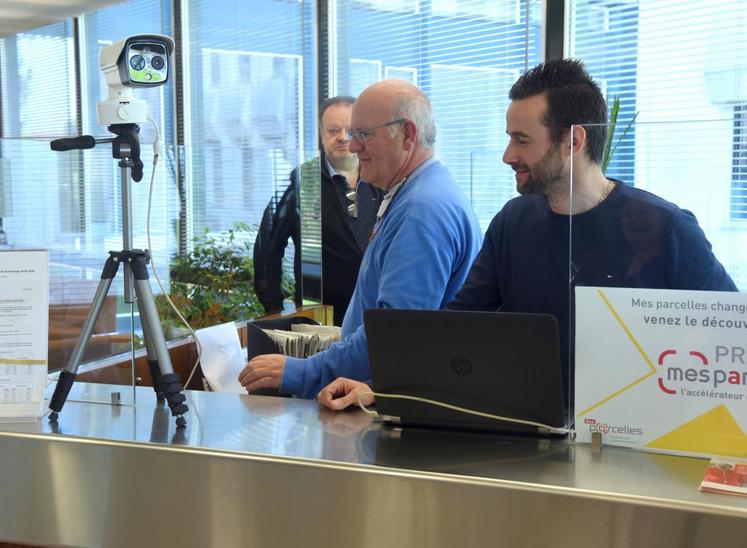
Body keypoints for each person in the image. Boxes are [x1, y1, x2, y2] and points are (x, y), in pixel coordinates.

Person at [318, 58, 737, 410]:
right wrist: (382, 390)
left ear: (573, 140)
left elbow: (729, 338)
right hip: (532, 443)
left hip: (637, 447)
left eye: (522, 140)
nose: (507, 155)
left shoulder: (666, 228)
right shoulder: (514, 223)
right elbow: (453, 331)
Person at [240, 79, 483, 398]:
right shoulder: (419, 192)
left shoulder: (420, 210)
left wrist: (304, 372)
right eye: (349, 134)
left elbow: (392, 335)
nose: (352, 146)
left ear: (408, 134)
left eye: (364, 135)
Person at [253, 96, 385, 326]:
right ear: (321, 134)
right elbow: (267, 250)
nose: (343, 137)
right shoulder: (304, 182)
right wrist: (274, 311)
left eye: (350, 131)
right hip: (318, 320)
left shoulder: (382, 179)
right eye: (333, 130)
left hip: (376, 314)